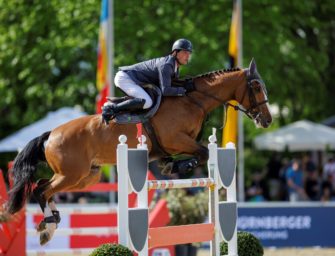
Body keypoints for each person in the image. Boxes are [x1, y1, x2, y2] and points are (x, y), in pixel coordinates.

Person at [104, 38, 195, 119]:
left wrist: (184, 84)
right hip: (125, 78)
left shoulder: (174, 67)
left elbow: (172, 84)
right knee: (147, 102)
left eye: (189, 53)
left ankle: (118, 103)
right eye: (185, 52)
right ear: (175, 52)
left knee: (147, 100)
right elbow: (165, 90)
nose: (188, 56)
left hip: (132, 79)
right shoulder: (167, 65)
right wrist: (184, 90)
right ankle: (111, 108)